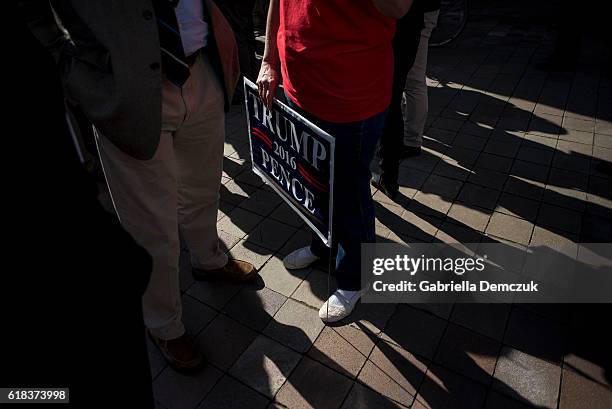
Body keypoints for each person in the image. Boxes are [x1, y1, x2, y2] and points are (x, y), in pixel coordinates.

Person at [22, 0, 256, 372]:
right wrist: (67, 65)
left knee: (203, 186)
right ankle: (163, 324)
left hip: (201, 69)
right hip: (124, 93)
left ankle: (208, 259)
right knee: (152, 226)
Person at [257, 0, 413, 323]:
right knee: (313, 179)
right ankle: (323, 244)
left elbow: (397, 8)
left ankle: (354, 277)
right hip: (298, 86)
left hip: (350, 95)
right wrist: (269, 58)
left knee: (348, 190)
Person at [372, 0, 440, 199]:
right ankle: (389, 175)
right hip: (412, 23)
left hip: (398, 25)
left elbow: (397, 8)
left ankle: (391, 169)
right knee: (396, 97)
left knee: (393, 97)